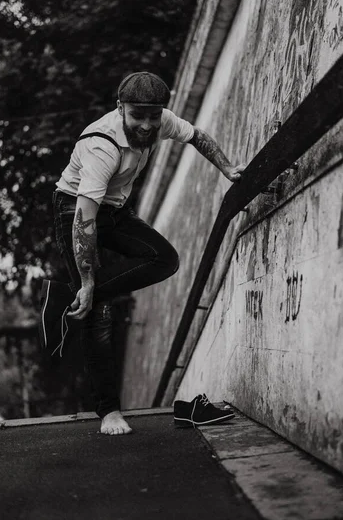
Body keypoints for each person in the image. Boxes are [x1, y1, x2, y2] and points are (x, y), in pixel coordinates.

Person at [52, 72, 245, 435]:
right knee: (98, 315)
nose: (145, 125)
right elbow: (84, 221)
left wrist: (228, 167)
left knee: (165, 259)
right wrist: (89, 279)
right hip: (74, 212)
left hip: (115, 210)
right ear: (120, 107)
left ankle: (87, 296)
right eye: (136, 115)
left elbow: (198, 137)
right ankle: (109, 413)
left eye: (153, 116)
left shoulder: (162, 121)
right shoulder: (101, 145)